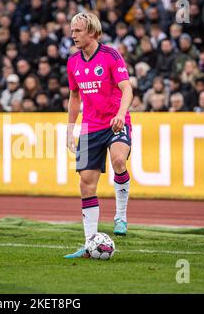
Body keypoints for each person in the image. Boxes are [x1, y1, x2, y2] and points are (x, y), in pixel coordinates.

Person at [64, 13, 133, 259]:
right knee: (86, 184)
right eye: (72, 31)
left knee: (118, 161)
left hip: (116, 122)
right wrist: (70, 128)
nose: (73, 35)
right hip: (90, 127)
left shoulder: (111, 55)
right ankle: (88, 243)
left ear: (92, 32)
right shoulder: (72, 62)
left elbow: (127, 89)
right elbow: (74, 96)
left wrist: (121, 114)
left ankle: (121, 216)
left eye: (78, 31)